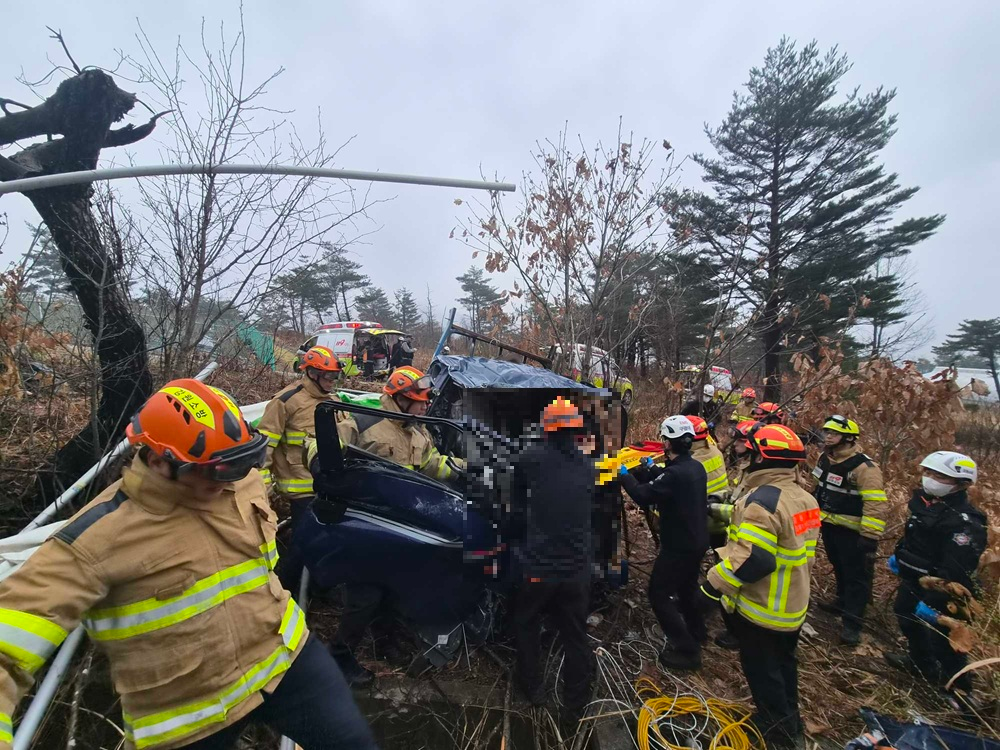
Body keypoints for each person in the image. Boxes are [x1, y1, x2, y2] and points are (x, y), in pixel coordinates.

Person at [0, 380, 376, 750]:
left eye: (240, 463)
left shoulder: (242, 483)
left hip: (287, 661)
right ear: (162, 462)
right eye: (219, 470)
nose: (233, 479)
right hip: (188, 717)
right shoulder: (93, 541)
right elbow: (7, 652)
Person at [323, 366, 465, 686]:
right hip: (364, 525)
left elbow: (431, 465)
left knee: (392, 589)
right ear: (400, 398)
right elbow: (321, 449)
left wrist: (465, 469)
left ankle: (385, 643)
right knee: (365, 595)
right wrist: (326, 466)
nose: (425, 406)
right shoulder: (363, 422)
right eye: (419, 401)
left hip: (398, 527)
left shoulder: (418, 432)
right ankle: (339, 656)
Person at [700, 423, 820, 750]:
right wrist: (720, 512)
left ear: (763, 457)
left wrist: (713, 585)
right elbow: (779, 537)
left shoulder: (763, 500)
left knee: (763, 674)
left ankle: (776, 733)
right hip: (793, 605)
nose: (747, 456)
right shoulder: (803, 497)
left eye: (751, 452)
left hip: (763, 608)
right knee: (784, 666)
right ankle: (789, 720)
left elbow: (755, 559)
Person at [508, 397, 598, 733]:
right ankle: (576, 702)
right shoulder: (587, 466)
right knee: (575, 633)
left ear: (546, 429)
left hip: (540, 568)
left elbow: (515, 505)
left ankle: (533, 688)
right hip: (577, 569)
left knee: (526, 621)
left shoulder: (531, 458)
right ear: (575, 430)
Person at [884, 451, 986, 698]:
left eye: (940, 476)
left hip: (943, 590)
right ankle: (920, 662)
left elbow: (957, 567)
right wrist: (901, 557)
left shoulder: (964, 522)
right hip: (913, 579)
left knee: (944, 641)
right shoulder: (924, 503)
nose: (930, 479)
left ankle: (961, 693)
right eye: (928, 473)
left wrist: (935, 595)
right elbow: (915, 536)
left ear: (961, 483)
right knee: (906, 617)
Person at [619, 416, 708, 670]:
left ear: (668, 443)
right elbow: (669, 479)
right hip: (697, 541)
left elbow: (643, 495)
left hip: (678, 546)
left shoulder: (675, 475)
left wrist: (625, 476)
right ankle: (697, 631)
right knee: (687, 589)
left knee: (658, 594)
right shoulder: (694, 468)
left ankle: (687, 650)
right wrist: (650, 469)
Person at [802, 416, 886, 646]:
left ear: (848, 438)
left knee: (856, 576)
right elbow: (817, 488)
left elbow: (875, 503)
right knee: (837, 564)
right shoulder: (825, 459)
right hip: (828, 524)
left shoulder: (864, 468)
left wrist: (869, 536)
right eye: (826, 432)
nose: (827, 436)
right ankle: (841, 601)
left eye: (833, 433)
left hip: (853, 532)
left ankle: (853, 623)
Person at [258, 345, 341, 501]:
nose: (332, 382)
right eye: (329, 377)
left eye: (336, 376)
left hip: (333, 490)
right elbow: (263, 449)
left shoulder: (335, 401)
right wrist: (265, 494)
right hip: (300, 496)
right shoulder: (285, 401)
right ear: (311, 373)